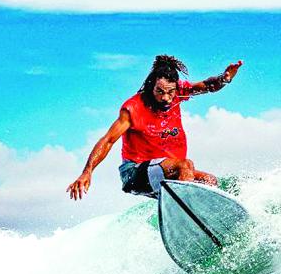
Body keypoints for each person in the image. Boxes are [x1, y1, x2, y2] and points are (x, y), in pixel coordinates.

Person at [67, 55, 242, 200]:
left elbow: (207, 86)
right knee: (185, 165)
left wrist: (224, 79)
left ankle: (200, 219)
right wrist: (87, 172)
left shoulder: (179, 92)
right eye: (160, 91)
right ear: (152, 86)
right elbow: (108, 140)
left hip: (167, 171)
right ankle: (184, 208)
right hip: (135, 173)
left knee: (210, 181)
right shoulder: (133, 108)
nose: (166, 98)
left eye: (170, 92)